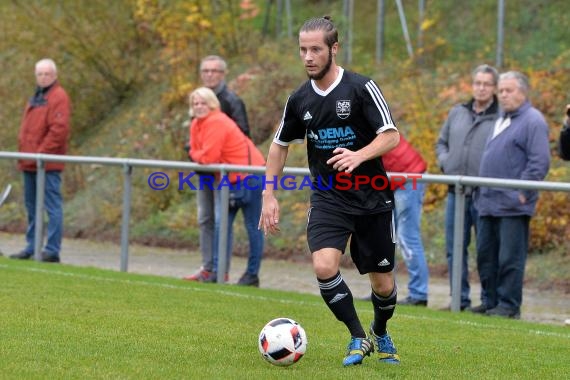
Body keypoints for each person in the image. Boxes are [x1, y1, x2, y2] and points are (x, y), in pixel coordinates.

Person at [259, 16, 401, 366]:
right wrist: (269, 193)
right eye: (303, 50)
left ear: (334, 49)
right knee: (324, 265)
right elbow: (279, 145)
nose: (308, 57)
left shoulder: (361, 88)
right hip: (328, 197)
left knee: (383, 285)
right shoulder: (299, 99)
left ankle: (380, 331)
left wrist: (359, 155)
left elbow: (391, 135)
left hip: (372, 196)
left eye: (316, 49)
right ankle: (357, 337)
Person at [474, 71, 550, 319]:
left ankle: (508, 305)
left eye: (509, 90)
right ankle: (491, 301)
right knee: (486, 256)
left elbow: (539, 162)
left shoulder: (532, 120)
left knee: (509, 258)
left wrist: (523, 192)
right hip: (487, 203)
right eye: (502, 90)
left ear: (523, 92)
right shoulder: (500, 118)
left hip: (513, 205)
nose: (503, 95)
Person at [185, 87, 265, 286]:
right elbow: (196, 152)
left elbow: (206, 157)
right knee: (222, 226)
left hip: (251, 175)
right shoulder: (196, 124)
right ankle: (219, 272)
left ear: (212, 103)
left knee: (253, 227)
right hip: (227, 179)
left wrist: (195, 154)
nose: (199, 107)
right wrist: (196, 154)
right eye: (195, 103)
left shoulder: (217, 121)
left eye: (203, 103)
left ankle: (251, 274)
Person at [435, 64, 499, 311]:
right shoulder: (457, 112)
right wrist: (445, 162)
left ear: (494, 88)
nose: (481, 88)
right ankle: (458, 300)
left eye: (486, 84)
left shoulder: (500, 117)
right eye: (478, 83)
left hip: (485, 194)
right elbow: (441, 143)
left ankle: (487, 302)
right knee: (454, 249)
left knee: (486, 250)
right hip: (456, 193)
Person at [10, 58, 71, 263]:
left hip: (46, 163)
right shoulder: (36, 97)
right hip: (29, 162)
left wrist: (41, 154)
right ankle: (32, 245)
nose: (43, 77)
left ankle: (52, 249)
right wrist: (26, 155)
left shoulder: (58, 97)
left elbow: (58, 130)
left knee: (51, 206)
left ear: (54, 75)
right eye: (40, 74)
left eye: (47, 74)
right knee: (32, 206)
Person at [382, 135, 429, 306]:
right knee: (385, 237)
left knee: (406, 237)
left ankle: (419, 294)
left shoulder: (363, 119)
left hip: (408, 177)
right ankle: (384, 290)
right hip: (389, 180)